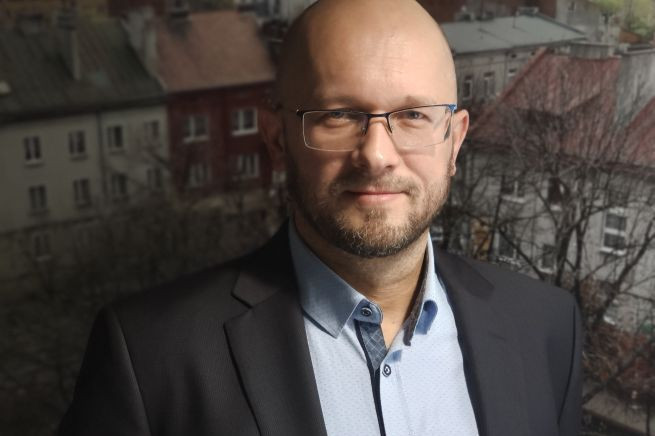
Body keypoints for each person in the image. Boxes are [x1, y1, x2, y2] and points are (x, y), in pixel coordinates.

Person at [59, 0, 582, 435]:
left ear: (455, 141)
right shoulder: (150, 358)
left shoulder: (546, 327)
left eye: (413, 115)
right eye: (339, 115)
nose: (377, 154)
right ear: (276, 139)